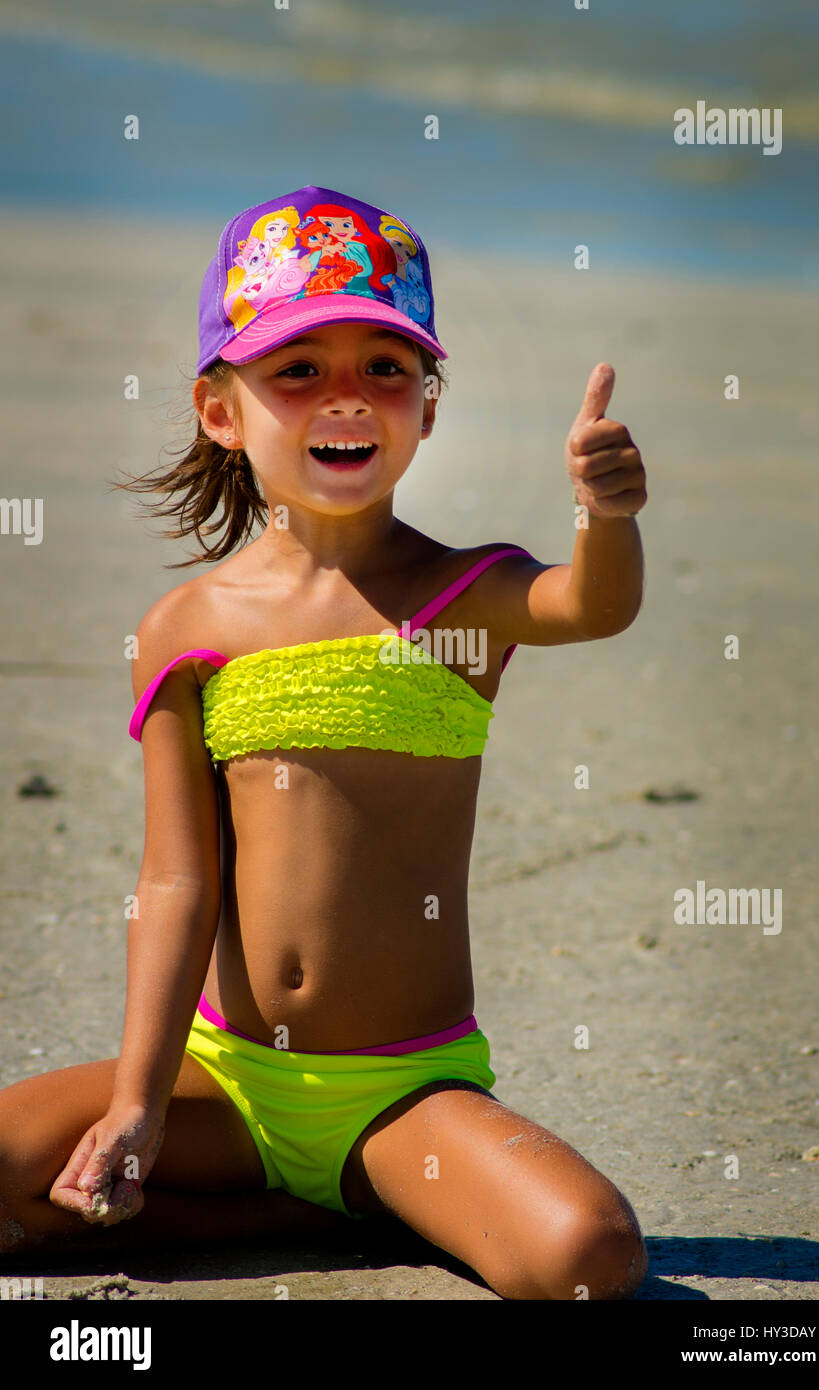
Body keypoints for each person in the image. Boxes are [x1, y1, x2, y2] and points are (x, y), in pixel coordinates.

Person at [0, 185, 649, 1300]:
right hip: (226, 1089)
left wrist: (607, 514)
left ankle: (359, 1190)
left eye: (384, 368)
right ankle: (297, 1210)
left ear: (428, 408)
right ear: (219, 409)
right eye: (297, 368)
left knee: (588, 1258)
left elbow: (589, 606)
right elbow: (174, 881)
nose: (345, 396)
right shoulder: (184, 631)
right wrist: (139, 1106)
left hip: (405, 1098)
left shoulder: (466, 593)